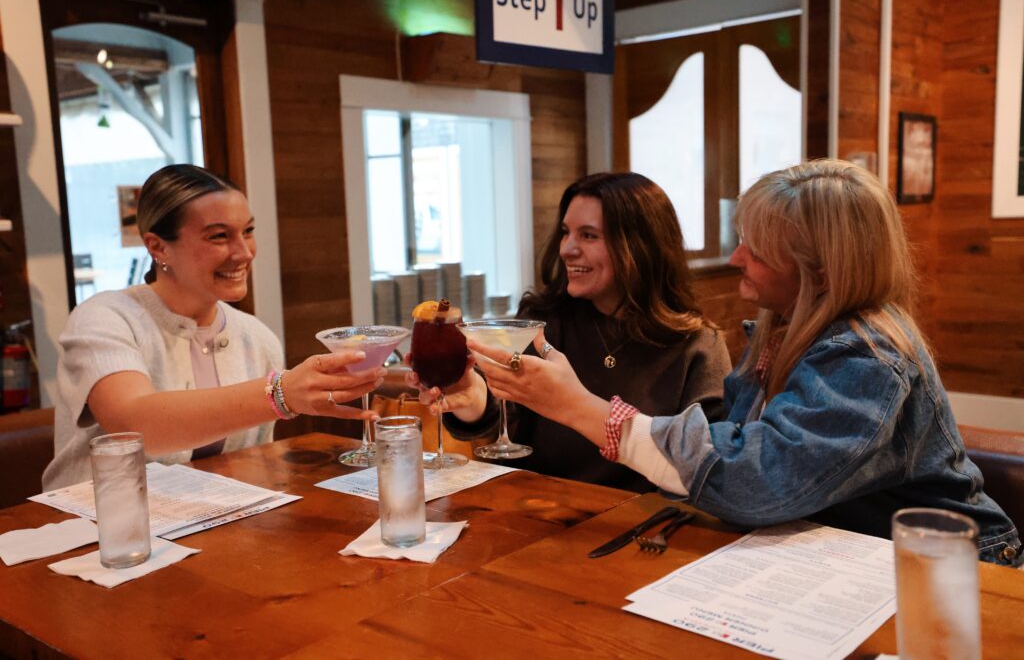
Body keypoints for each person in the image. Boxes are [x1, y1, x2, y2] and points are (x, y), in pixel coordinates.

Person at [467, 159, 1022, 567]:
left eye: (754, 247)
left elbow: (752, 481)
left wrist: (583, 409)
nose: (735, 258)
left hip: (959, 575)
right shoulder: (779, 334)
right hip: (849, 559)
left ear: (819, 270)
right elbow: (726, 445)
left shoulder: (868, 356)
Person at [43, 164, 383, 490]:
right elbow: (135, 423)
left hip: (208, 528)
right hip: (93, 530)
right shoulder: (105, 317)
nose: (243, 253)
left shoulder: (256, 337)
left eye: (248, 231)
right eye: (219, 236)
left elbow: (254, 464)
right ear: (158, 247)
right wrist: (280, 394)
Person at [411, 172, 731, 492]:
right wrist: (474, 399)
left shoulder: (698, 346)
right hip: (540, 516)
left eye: (589, 235)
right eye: (566, 233)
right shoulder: (541, 322)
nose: (567, 249)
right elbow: (507, 422)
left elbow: (713, 471)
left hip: (644, 528)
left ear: (640, 247)